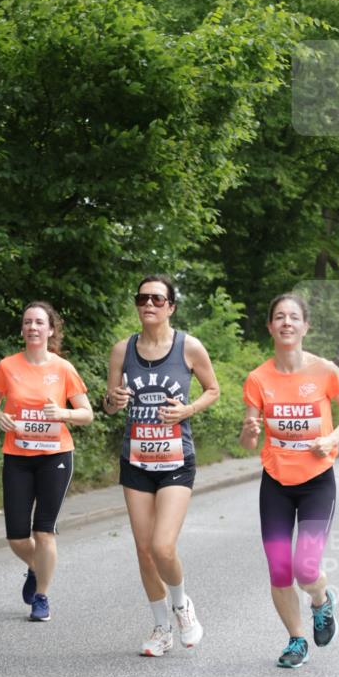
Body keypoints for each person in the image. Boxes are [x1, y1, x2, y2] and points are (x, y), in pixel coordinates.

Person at [240, 293, 339, 668]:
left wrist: (332, 438)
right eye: (279, 317)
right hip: (276, 481)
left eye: (294, 317)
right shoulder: (258, 379)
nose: (286, 323)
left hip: (317, 481)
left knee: (306, 568)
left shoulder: (324, 371)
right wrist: (249, 430)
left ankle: (321, 602)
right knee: (279, 569)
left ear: (305, 326)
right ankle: (296, 641)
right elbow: (248, 443)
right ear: (270, 327)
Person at [104, 275, 219, 656]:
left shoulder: (189, 347)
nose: (148, 304)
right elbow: (109, 402)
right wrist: (113, 400)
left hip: (175, 459)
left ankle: (183, 606)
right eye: (142, 298)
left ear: (171, 306)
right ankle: (160, 628)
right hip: (135, 459)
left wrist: (188, 409)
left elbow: (213, 390)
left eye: (157, 298)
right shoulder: (123, 350)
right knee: (143, 549)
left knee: (162, 546)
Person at [0, 301, 93, 622]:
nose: (33, 327)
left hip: (55, 458)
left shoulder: (63, 368)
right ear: (23, 329)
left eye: (39, 322)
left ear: (50, 330)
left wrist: (63, 413)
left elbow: (86, 414)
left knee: (44, 532)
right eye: (27, 322)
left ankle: (42, 597)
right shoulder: (8, 366)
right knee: (17, 537)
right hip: (17, 458)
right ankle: (36, 567)